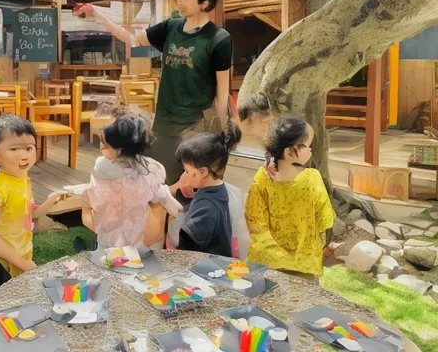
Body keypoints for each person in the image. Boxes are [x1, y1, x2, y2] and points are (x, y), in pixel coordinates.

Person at [73, 0, 232, 185]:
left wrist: (222, 137)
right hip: (164, 123)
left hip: (195, 126)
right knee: (158, 183)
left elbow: (223, 94)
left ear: (205, 3)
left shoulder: (219, 39)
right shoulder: (171, 28)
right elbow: (130, 38)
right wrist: (97, 14)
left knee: (191, 186)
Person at [0, 115, 61, 311]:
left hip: (21, 254)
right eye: (14, 149)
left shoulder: (22, 179)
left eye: (29, 148)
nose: (24, 155)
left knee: (20, 309)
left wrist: (50, 201)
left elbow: (28, 213)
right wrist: (23, 262)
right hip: (0, 263)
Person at [76, 111, 183, 250]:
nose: (101, 146)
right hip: (140, 241)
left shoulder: (101, 170)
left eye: (105, 144)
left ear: (119, 150)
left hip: (109, 240)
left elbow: (94, 203)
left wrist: (85, 201)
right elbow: (161, 196)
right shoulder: (151, 169)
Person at [245, 114, 335, 278]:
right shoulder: (312, 179)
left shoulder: (261, 178)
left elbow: (255, 222)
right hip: (303, 266)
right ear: (289, 151)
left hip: (266, 264)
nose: (310, 149)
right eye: (305, 145)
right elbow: (325, 220)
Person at [173, 121, 242, 256]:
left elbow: (189, 246)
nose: (184, 176)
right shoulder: (216, 189)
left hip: (208, 269)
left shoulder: (208, 207)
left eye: (187, 171)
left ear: (202, 172)